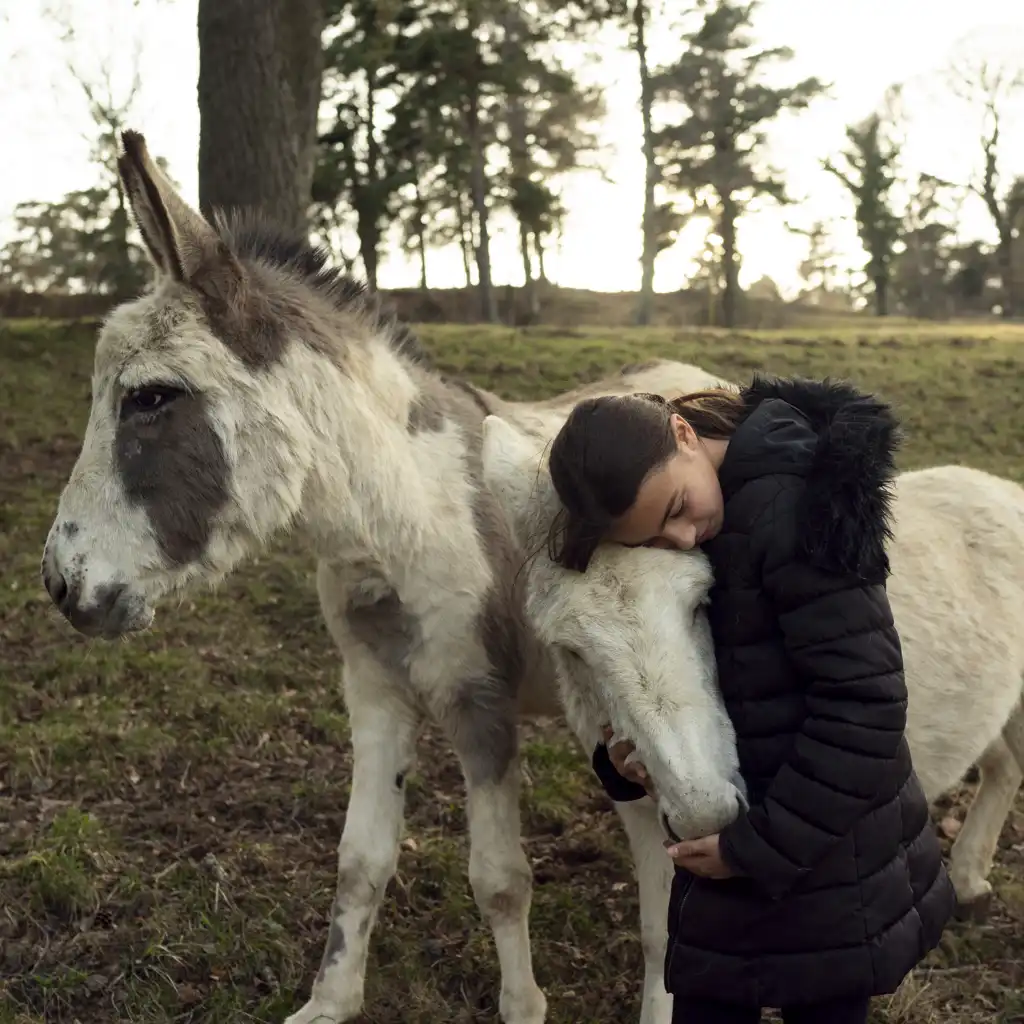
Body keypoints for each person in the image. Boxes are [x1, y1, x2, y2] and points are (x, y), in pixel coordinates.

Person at [546, 374, 955, 1024]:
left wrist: (758, 849)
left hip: (824, 859)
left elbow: (866, 705)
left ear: (683, 432)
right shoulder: (696, 513)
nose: (680, 540)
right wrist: (630, 753)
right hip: (730, 844)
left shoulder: (796, 506)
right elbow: (674, 671)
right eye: (654, 540)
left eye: (678, 509)